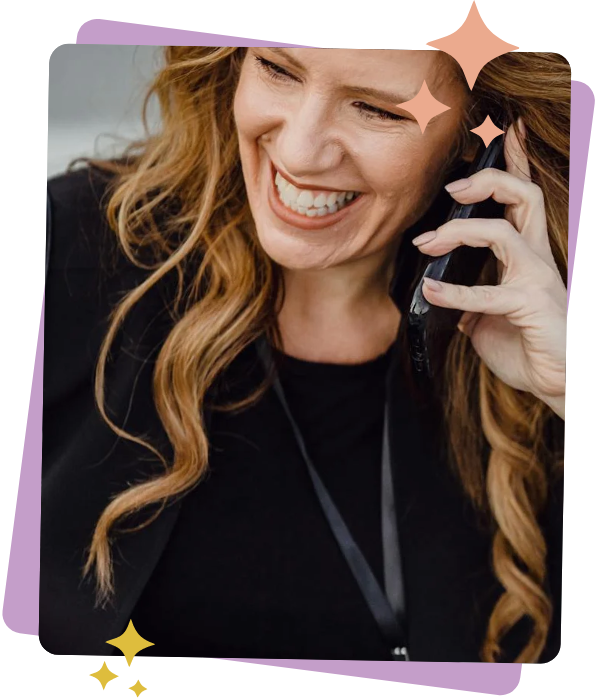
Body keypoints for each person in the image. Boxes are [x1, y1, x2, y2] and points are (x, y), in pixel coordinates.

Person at [42, 48, 567, 663]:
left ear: (480, 138)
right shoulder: (70, 250)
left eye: (376, 109)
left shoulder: (539, 319)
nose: (297, 152)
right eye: (277, 70)